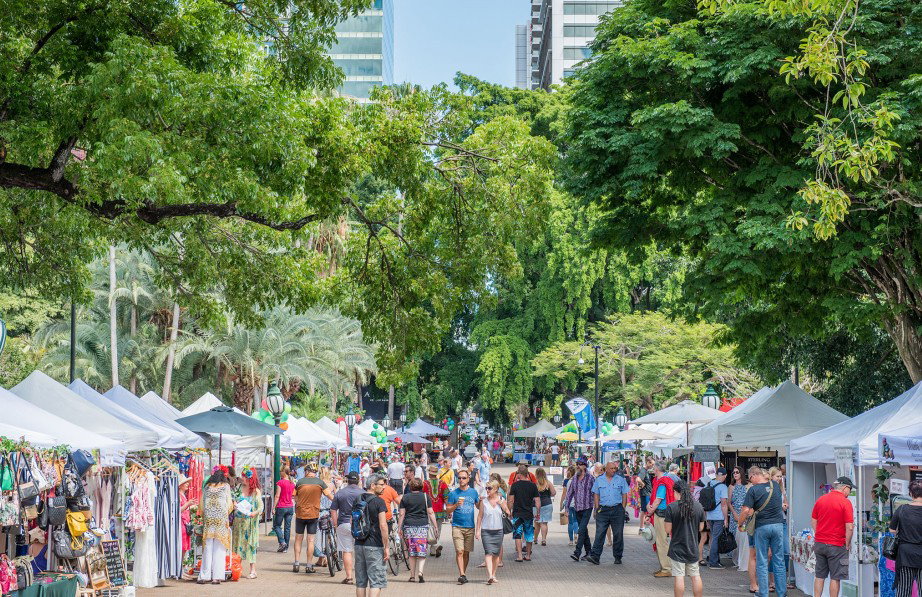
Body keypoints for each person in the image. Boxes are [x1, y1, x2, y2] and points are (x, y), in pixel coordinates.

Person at [737, 467, 786, 597]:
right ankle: (782, 593)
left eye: (750, 478)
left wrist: (740, 523)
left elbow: (746, 510)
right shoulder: (775, 485)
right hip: (778, 525)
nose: (750, 481)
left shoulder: (753, 490)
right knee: (779, 560)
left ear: (753, 475)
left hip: (762, 527)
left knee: (762, 560)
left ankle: (763, 593)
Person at [810, 476, 855, 597]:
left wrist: (819, 533)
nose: (849, 493)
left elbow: (814, 520)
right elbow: (850, 527)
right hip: (837, 544)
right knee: (835, 577)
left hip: (820, 543)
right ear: (845, 488)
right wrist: (848, 542)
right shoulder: (845, 502)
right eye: (850, 490)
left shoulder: (821, 499)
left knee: (819, 575)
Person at [664, 480, 706, 597]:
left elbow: (667, 530)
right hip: (692, 546)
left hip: (677, 547)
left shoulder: (671, 507)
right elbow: (701, 528)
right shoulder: (698, 506)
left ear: (676, 492)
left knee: (679, 576)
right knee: (695, 575)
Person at [586, 460, 630, 565]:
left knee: (618, 534)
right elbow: (596, 494)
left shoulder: (620, 479)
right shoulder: (599, 480)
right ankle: (595, 556)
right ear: (606, 469)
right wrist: (597, 508)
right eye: (611, 468)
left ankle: (618, 556)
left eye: (615, 468)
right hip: (603, 509)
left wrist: (623, 508)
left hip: (617, 509)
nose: (614, 470)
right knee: (600, 533)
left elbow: (624, 494)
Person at [293, 465, 333, 574]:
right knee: (310, 540)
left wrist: (299, 502)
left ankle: (296, 563)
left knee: (298, 539)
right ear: (315, 472)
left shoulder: (300, 482)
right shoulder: (320, 483)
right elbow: (330, 496)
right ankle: (309, 565)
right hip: (313, 514)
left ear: (306, 471)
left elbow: (294, 496)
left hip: (300, 513)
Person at [355, 475, 390, 597]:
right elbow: (383, 525)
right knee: (376, 581)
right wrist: (386, 546)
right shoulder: (379, 501)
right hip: (374, 544)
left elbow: (351, 521)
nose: (383, 487)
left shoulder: (358, 499)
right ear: (372, 485)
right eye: (381, 484)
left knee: (360, 582)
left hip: (359, 543)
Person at [198, 467, 234, 585]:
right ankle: (216, 577)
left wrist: (206, 515)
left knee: (207, 547)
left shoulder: (207, 487)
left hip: (209, 520)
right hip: (220, 520)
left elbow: (202, 505)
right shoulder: (226, 486)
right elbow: (229, 504)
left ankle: (204, 576)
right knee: (219, 548)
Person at [398, 477, 438, 583]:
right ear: (421, 487)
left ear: (410, 487)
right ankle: (420, 572)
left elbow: (402, 513)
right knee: (421, 550)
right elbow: (430, 512)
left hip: (409, 526)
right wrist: (435, 526)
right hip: (422, 526)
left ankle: (412, 576)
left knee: (412, 552)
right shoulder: (425, 497)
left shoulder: (405, 497)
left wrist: (399, 527)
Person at [445, 468, 480, 584]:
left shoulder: (473, 492)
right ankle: (462, 574)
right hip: (457, 526)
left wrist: (486, 500)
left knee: (466, 552)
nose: (461, 480)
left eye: (464, 478)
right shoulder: (453, 493)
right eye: (459, 478)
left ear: (468, 479)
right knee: (459, 551)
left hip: (470, 526)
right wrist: (456, 505)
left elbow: (479, 506)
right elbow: (448, 511)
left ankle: (463, 574)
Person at [330, 471, 364, 585]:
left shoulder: (340, 493)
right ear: (358, 480)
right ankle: (362, 577)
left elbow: (333, 510)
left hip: (343, 523)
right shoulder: (363, 493)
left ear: (347, 480)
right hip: (360, 525)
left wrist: (335, 525)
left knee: (347, 551)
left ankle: (349, 577)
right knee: (360, 551)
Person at [890, 479, 922, 597]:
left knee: (903, 590)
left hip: (905, 556)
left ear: (910, 493)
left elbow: (892, 530)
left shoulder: (902, 509)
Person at [231, 467, 264, 578]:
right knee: (237, 545)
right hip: (238, 522)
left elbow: (260, 507)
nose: (243, 478)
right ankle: (236, 568)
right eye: (243, 475)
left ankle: (253, 570)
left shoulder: (256, 491)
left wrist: (253, 513)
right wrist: (234, 504)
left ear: (251, 477)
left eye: (245, 476)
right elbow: (234, 499)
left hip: (250, 523)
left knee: (250, 546)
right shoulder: (239, 487)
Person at [476, 480, 509, 586]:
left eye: (489, 488)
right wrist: (478, 531)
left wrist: (502, 505)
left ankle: (494, 575)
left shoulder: (501, 499)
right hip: (486, 531)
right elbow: (480, 516)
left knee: (496, 555)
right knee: (488, 553)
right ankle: (490, 575)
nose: (487, 490)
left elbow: (508, 513)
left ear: (496, 489)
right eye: (486, 488)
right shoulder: (484, 502)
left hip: (499, 531)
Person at [729, 467, 756, 591]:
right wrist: (734, 513)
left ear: (741, 473)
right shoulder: (731, 487)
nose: (735, 474)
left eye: (737, 472)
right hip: (735, 515)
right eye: (733, 472)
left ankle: (743, 561)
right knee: (737, 539)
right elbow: (729, 502)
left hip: (745, 515)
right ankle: (738, 560)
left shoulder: (748, 486)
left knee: (744, 539)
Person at [648, 461, 677, 577]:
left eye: (654, 468)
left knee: (661, 541)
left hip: (661, 514)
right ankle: (665, 567)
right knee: (663, 541)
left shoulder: (662, 482)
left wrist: (650, 511)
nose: (653, 470)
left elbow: (658, 499)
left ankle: (666, 569)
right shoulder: (665, 480)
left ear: (657, 469)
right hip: (665, 513)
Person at [507, 464, 541, 562]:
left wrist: (509, 511)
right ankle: (528, 556)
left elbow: (510, 500)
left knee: (518, 534)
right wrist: (538, 512)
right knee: (529, 534)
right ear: (527, 474)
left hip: (517, 513)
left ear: (518, 474)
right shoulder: (533, 485)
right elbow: (537, 501)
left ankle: (520, 556)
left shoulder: (515, 485)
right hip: (528, 514)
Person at [566, 456, 595, 562]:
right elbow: (569, 494)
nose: (577, 466)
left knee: (581, 530)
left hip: (587, 507)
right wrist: (566, 508)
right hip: (577, 507)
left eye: (580, 464)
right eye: (577, 464)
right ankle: (589, 552)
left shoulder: (591, 478)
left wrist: (596, 508)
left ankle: (577, 553)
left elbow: (595, 493)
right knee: (584, 531)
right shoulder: (574, 478)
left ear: (585, 465)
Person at [703, 467, 729, 569]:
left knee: (714, 537)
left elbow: (704, 502)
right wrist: (726, 518)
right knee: (715, 538)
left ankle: (715, 560)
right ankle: (713, 562)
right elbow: (724, 504)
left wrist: (706, 518)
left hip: (709, 515)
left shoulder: (709, 484)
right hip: (718, 516)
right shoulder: (723, 487)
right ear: (725, 475)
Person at [425, 464, 450, 558]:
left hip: (428, 510)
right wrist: (448, 510)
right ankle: (434, 548)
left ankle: (434, 547)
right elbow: (447, 497)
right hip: (440, 510)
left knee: (430, 529)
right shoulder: (443, 483)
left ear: (429, 474)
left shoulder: (425, 483)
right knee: (437, 529)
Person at [273, 466, 295, 552]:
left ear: (283, 473)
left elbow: (277, 495)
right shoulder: (292, 483)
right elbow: (293, 495)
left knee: (277, 526)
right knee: (287, 528)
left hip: (281, 506)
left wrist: (273, 507)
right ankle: (286, 547)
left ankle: (282, 542)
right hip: (290, 507)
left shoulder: (280, 483)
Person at [535, 467, 557, 546]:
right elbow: (554, 493)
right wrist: (548, 495)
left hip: (536, 505)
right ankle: (543, 540)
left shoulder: (535, 483)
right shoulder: (548, 483)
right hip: (547, 504)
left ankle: (535, 539)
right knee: (544, 523)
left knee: (537, 523)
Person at [561, 465, 579, 545]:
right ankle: (576, 533)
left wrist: (561, 503)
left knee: (570, 522)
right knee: (576, 520)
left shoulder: (566, 481)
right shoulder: (578, 480)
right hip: (577, 503)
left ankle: (571, 541)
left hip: (569, 503)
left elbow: (564, 493)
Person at [637, 457, 653, 531]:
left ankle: (642, 527)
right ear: (648, 462)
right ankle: (642, 527)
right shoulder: (643, 470)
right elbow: (638, 479)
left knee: (644, 510)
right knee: (646, 510)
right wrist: (642, 484)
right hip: (645, 493)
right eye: (652, 464)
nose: (652, 466)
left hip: (645, 493)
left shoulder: (645, 470)